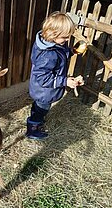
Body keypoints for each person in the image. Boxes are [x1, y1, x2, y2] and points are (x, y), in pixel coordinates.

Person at [27, 11, 80, 140]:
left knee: (39, 106)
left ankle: (35, 118)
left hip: (42, 91)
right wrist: (65, 81)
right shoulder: (48, 55)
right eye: (65, 37)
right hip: (45, 90)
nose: (67, 39)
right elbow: (43, 78)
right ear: (53, 34)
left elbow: (60, 53)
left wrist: (71, 51)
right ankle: (32, 129)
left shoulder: (50, 43)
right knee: (42, 109)